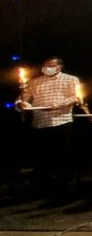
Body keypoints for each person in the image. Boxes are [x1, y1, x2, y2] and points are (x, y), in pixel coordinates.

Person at [18, 57, 80, 190]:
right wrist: (22, 103)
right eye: (45, 66)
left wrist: (58, 105)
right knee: (42, 155)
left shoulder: (71, 79)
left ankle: (65, 183)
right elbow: (23, 98)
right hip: (40, 122)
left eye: (50, 66)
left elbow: (76, 97)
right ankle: (43, 184)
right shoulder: (34, 82)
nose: (47, 68)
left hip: (61, 120)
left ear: (59, 67)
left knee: (62, 154)